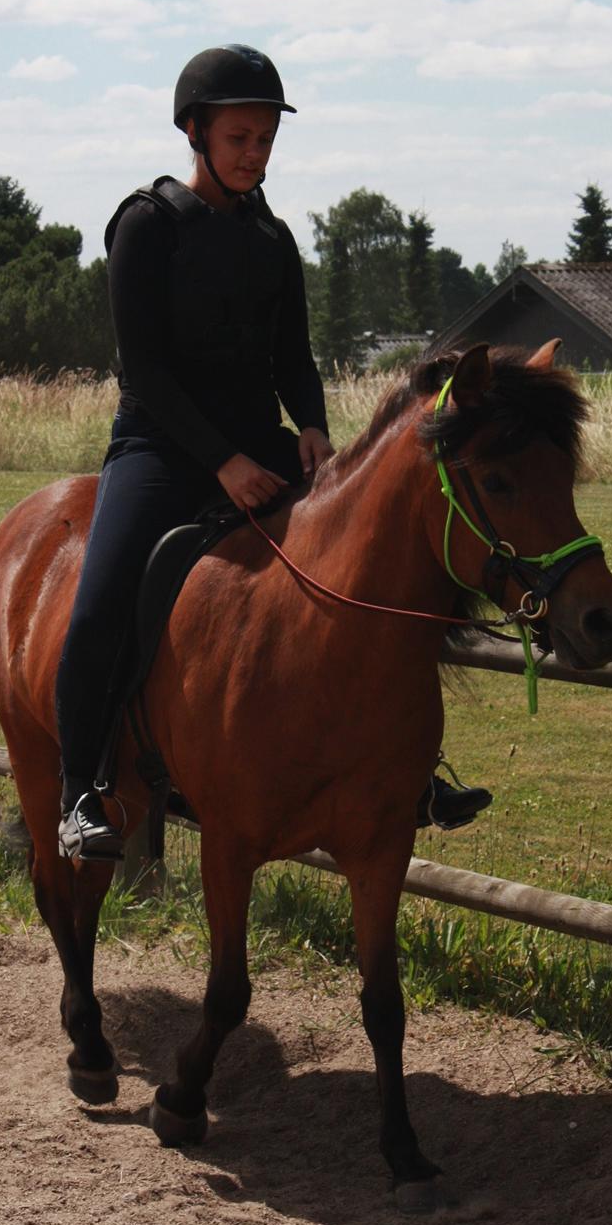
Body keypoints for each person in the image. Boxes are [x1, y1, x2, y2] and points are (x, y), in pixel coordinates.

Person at [55, 43, 491, 861]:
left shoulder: (271, 238)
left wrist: (316, 427)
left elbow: (291, 354)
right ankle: (81, 789)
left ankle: (406, 766)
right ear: (195, 132)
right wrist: (221, 462)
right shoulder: (145, 226)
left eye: (264, 139)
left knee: (366, 566)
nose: (254, 153)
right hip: (159, 446)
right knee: (101, 597)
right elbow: (142, 370)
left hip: (260, 442)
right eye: (239, 139)